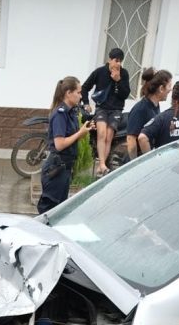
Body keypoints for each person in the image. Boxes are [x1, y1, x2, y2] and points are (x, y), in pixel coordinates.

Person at [37, 77, 95, 215]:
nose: (81, 96)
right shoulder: (60, 114)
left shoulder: (70, 112)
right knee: (49, 212)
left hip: (64, 168)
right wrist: (80, 133)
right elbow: (60, 144)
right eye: (79, 92)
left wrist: (85, 128)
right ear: (68, 93)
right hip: (56, 168)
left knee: (59, 211)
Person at [81, 48, 130, 176]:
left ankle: (101, 165)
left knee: (109, 136)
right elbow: (85, 87)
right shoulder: (99, 72)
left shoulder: (124, 74)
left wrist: (118, 80)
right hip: (102, 108)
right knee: (101, 133)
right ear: (110, 60)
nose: (118, 64)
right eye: (116, 60)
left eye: (121, 61)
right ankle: (102, 164)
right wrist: (86, 103)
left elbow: (125, 94)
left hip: (116, 110)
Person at [126, 68, 172, 158]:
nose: (170, 90)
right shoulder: (140, 109)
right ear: (161, 88)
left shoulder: (155, 105)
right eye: (169, 86)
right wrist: (136, 164)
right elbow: (131, 140)